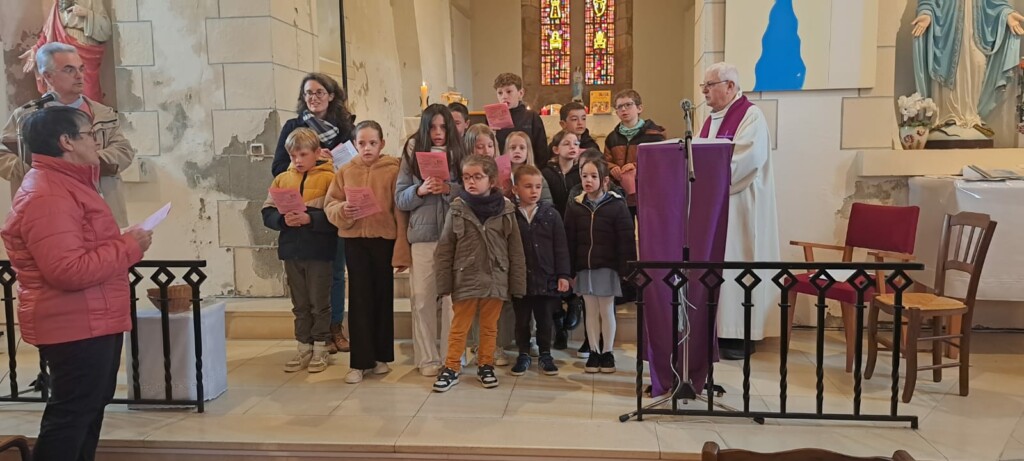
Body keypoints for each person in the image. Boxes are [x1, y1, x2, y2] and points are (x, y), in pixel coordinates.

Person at [0, 106, 151, 461]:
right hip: (74, 323)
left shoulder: (68, 184)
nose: (96, 142)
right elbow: (67, 270)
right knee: (71, 417)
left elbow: (81, 248)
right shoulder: (47, 194)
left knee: (88, 410)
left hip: (91, 317)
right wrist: (129, 247)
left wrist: (122, 241)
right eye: (89, 134)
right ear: (66, 142)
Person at [1, 43, 134, 227]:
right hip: (47, 209)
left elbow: (124, 150)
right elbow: (3, 154)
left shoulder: (102, 113)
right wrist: (33, 168)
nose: (79, 76)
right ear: (48, 76)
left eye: (81, 68)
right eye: (69, 70)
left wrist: (85, 161)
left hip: (100, 205)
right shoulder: (25, 116)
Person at [699, 62, 780, 360]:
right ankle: (718, 331)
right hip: (717, 207)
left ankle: (741, 335)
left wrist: (707, 178)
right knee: (719, 267)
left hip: (742, 207)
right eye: (704, 86)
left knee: (740, 263)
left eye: (710, 85)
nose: (705, 92)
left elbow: (747, 160)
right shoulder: (710, 121)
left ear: (730, 86)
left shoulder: (750, 116)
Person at [271, 73, 355, 354]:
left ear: (331, 95)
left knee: (336, 272)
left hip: (334, 206)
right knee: (306, 278)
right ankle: (312, 335)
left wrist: (334, 165)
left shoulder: (345, 126)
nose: (313, 97)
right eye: (308, 93)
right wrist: (310, 164)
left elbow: (356, 166)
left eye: (319, 92)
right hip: (301, 206)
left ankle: (334, 327)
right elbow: (278, 166)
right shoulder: (293, 126)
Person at [326, 121, 411, 383]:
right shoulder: (345, 171)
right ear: (354, 145)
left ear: (382, 144)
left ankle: (381, 357)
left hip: (383, 241)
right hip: (355, 242)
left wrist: (401, 249)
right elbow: (331, 203)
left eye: (373, 143)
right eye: (361, 143)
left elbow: (400, 211)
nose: (367, 148)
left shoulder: (393, 170)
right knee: (360, 300)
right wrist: (343, 210)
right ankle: (359, 362)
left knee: (383, 299)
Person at [432, 155, 526, 392]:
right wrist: (444, 283)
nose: (471, 182)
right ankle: (451, 366)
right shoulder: (457, 208)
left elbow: (515, 250)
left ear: (491, 180)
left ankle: (486, 365)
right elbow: (445, 249)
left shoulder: (506, 209)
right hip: (465, 276)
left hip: (496, 276)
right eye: (466, 177)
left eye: (477, 177)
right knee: (459, 326)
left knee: (489, 326)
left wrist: (517, 284)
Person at [395, 104, 464, 377]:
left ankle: (452, 356)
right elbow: (400, 198)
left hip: (454, 234)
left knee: (452, 303)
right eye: (433, 127)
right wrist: (420, 190)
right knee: (422, 298)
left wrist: (448, 188)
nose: (438, 132)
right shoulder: (412, 152)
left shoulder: (460, 150)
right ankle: (427, 359)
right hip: (423, 236)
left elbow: (472, 191)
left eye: (443, 127)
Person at [261, 128, 338, 373]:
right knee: (300, 303)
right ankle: (303, 346)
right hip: (292, 250)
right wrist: (282, 220)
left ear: (317, 153)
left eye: (303, 154)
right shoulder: (282, 179)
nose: (298, 160)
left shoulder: (330, 178)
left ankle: (321, 347)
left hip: (319, 250)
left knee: (319, 302)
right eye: (293, 156)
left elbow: (335, 215)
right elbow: (267, 211)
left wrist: (310, 219)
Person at [912, 0, 1023, 140]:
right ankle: (948, 117)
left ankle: (970, 116)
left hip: (976, 34)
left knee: (977, 64)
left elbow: (994, 2)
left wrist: (1006, 13)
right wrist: (927, 12)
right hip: (947, 32)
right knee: (950, 69)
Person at [564, 155, 635, 374]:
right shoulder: (575, 206)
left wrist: (626, 270)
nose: (588, 180)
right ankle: (594, 352)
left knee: (606, 310)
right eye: (584, 176)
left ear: (604, 180)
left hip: (607, 267)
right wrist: (569, 271)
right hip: (585, 268)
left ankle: (607, 352)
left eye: (593, 176)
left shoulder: (617, 205)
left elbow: (626, 239)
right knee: (590, 310)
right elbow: (570, 240)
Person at [510, 164, 570, 376]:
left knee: (544, 319)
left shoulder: (551, 215)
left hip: (546, 277)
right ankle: (523, 353)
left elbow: (561, 247)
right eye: (528, 186)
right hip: (520, 279)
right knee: (522, 320)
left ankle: (545, 353)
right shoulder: (511, 216)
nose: (534, 191)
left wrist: (563, 275)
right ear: (516, 189)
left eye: (537, 186)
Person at [20, 0, 111, 102]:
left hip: (85, 51)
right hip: (61, 55)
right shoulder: (57, 4)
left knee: (88, 91)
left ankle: (89, 111)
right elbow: (48, 32)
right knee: (63, 89)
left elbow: (106, 30)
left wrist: (87, 13)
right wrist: (36, 49)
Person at [542, 130, 583, 350]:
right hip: (552, 231)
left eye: (576, 143)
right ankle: (559, 327)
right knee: (554, 273)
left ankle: (575, 303)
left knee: (573, 269)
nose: (572, 146)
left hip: (576, 230)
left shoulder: (581, 173)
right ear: (556, 149)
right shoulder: (546, 173)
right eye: (567, 143)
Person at [603, 89, 666, 218]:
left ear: (639, 108)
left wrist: (635, 166)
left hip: (647, 192)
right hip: (621, 193)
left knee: (648, 226)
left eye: (628, 105)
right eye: (620, 107)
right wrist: (612, 168)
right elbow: (605, 161)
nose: (624, 109)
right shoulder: (611, 138)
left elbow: (659, 162)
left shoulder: (654, 135)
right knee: (624, 227)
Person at [493, 73, 549, 166]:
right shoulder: (494, 118)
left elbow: (541, 150)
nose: (504, 96)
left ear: (521, 93)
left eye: (509, 92)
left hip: (527, 168)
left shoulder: (532, 117)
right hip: (501, 168)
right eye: (500, 93)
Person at [505, 130, 553, 204]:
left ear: (528, 151)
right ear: (506, 150)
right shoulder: (501, 175)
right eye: (513, 147)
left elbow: (546, 202)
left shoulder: (536, 175)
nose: (517, 151)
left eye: (522, 148)